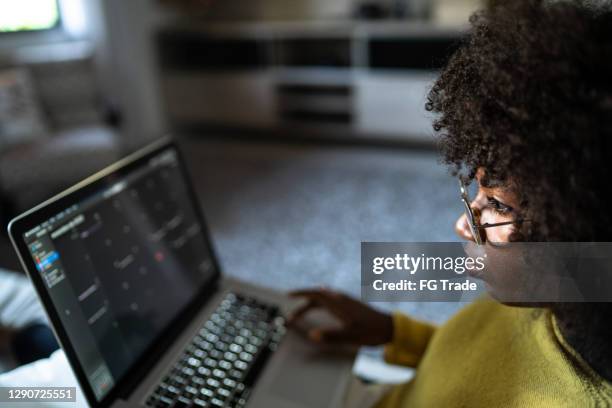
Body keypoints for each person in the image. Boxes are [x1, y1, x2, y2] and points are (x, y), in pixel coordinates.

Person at [289, 1, 612, 406]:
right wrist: (392, 332)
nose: (464, 224)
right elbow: (471, 365)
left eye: (499, 205)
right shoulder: (555, 289)